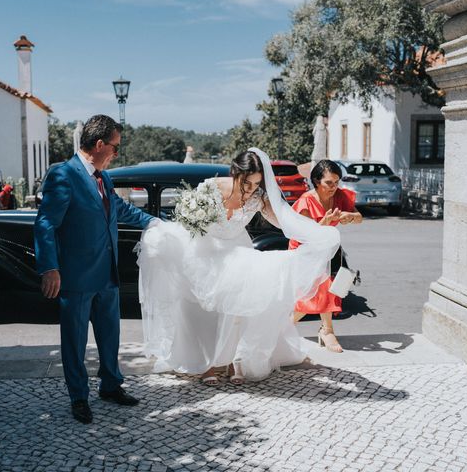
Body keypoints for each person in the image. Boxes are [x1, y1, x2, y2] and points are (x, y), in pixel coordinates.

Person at [138, 148, 340, 385]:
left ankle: (236, 361)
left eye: (256, 184)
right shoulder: (211, 187)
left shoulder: (258, 197)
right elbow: (188, 220)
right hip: (206, 251)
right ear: (235, 173)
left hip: (238, 252)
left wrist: (316, 231)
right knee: (200, 310)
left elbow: (283, 221)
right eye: (247, 183)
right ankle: (208, 364)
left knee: (238, 310)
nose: (250, 189)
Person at [34, 114, 156, 424]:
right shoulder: (63, 174)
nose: (117, 153)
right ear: (99, 144)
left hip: (107, 273)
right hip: (75, 276)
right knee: (74, 341)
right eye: (115, 147)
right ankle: (78, 397)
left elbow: (119, 209)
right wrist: (49, 267)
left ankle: (111, 386)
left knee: (110, 335)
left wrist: (155, 223)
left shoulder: (105, 177)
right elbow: (46, 222)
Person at [289, 159, 363, 353]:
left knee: (328, 289)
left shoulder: (339, 195)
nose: (334, 187)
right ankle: (284, 327)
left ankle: (326, 330)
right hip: (304, 250)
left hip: (326, 249)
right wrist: (324, 222)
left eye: (337, 182)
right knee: (308, 295)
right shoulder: (306, 201)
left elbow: (359, 217)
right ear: (316, 181)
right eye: (329, 183)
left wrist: (349, 216)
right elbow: (304, 235)